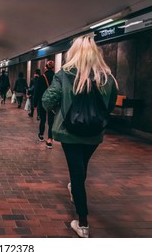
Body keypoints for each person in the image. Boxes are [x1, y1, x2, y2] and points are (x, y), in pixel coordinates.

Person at [42, 36, 118, 238]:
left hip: (70, 132)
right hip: (95, 133)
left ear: (74, 53)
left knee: (77, 174)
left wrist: (60, 109)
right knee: (81, 167)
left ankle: (83, 222)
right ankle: (75, 190)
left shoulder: (65, 74)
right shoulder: (107, 77)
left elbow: (48, 100)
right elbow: (109, 106)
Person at [34, 60, 55, 148]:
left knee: (43, 119)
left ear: (45, 67)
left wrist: (35, 103)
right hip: (53, 102)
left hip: (43, 101)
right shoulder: (56, 77)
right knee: (51, 121)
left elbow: (37, 91)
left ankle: (41, 135)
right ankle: (50, 139)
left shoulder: (41, 77)